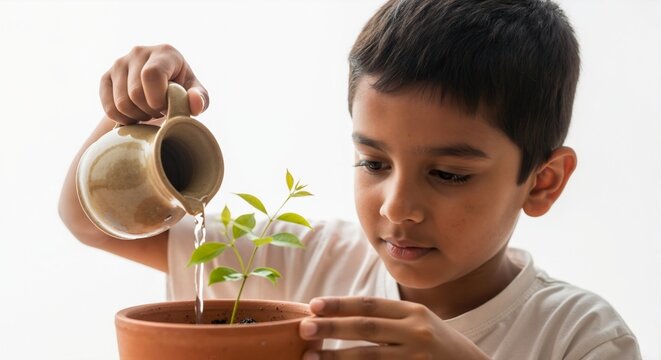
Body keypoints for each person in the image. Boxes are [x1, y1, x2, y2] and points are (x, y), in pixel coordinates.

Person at [59, 0, 642, 358]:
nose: (397, 207)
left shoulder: (581, 338)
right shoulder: (298, 260)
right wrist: (130, 115)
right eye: (373, 163)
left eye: (447, 173)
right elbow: (88, 221)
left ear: (542, 182)